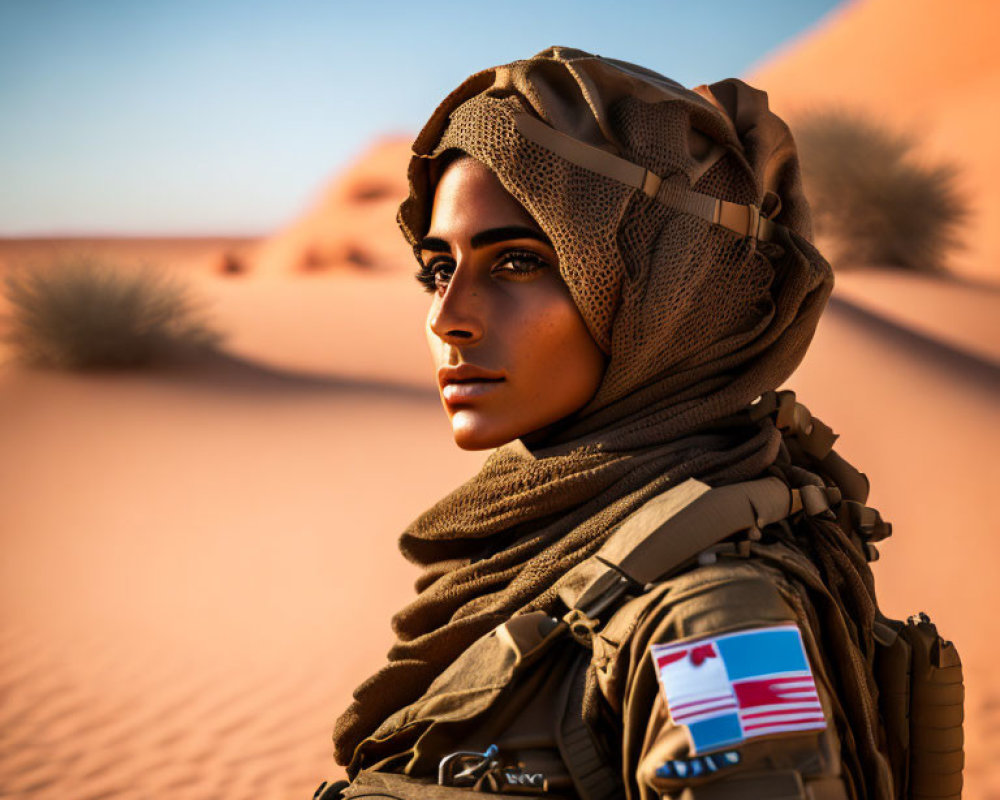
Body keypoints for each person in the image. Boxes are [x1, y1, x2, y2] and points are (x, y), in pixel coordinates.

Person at [315, 46, 963, 800]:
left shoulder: (717, 627)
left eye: (518, 263)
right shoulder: (545, 539)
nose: (447, 316)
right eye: (437, 268)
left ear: (670, 297)